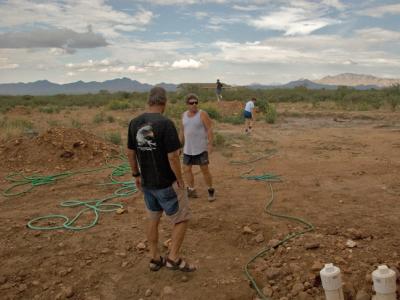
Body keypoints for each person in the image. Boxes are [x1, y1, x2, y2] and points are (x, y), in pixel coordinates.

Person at [127, 86, 196, 272]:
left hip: (147, 184)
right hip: (166, 184)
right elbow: (173, 156)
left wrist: (136, 174)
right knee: (181, 218)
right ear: (164, 103)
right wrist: (180, 179)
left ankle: (154, 257)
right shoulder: (166, 124)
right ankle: (173, 258)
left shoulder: (134, 123)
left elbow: (130, 152)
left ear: (149, 101)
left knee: (153, 218)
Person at [180, 93, 216, 202]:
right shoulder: (183, 115)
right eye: (192, 103)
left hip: (200, 148)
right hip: (188, 148)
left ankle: (210, 190)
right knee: (186, 169)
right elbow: (182, 131)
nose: (194, 104)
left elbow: (209, 128)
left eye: (196, 102)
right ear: (187, 104)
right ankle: (191, 190)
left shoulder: (202, 114)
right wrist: (179, 146)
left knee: (204, 170)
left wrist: (210, 144)